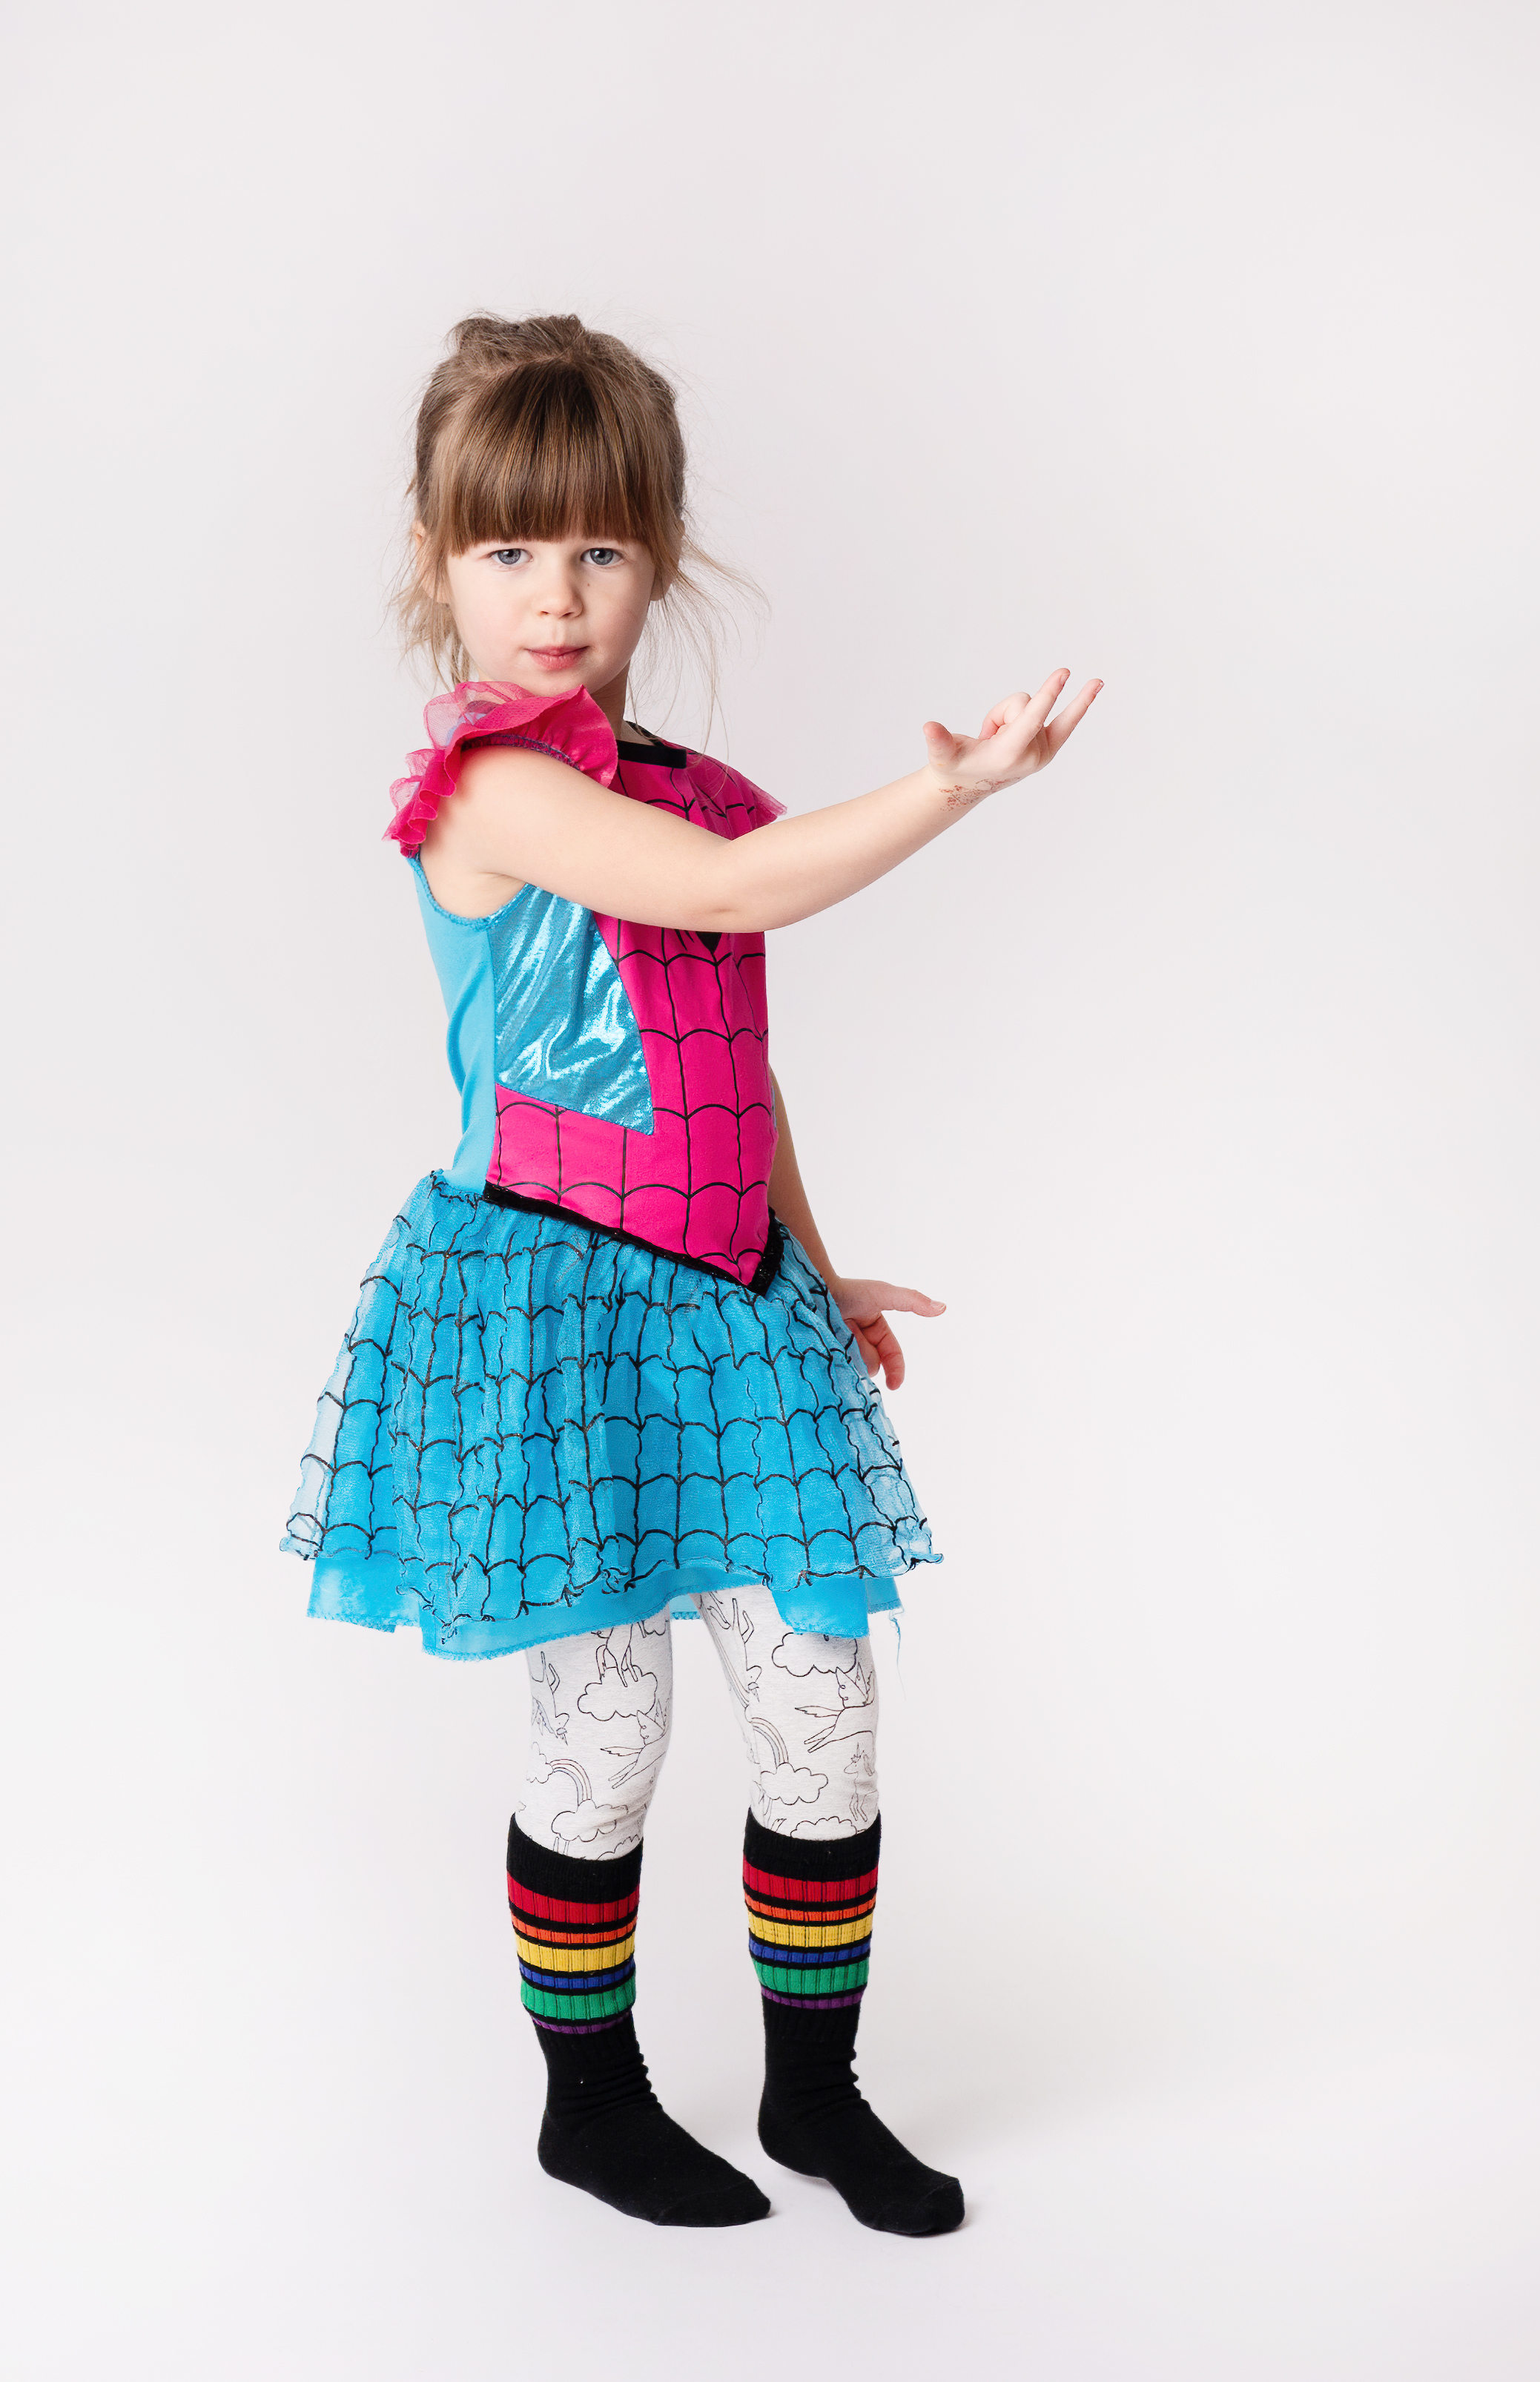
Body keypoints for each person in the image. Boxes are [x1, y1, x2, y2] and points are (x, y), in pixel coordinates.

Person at [283, 311, 1100, 2236]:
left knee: (823, 1702)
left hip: (729, 1302)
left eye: (598, 546)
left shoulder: (692, 783)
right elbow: (733, 894)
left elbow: (735, 1046)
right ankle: (592, 2103)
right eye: (506, 548)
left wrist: (814, 1263)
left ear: (659, 555)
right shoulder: (491, 787)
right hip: (553, 1307)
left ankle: (815, 2096)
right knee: (606, 1725)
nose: (554, 594)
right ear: (436, 564)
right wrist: (956, 789)